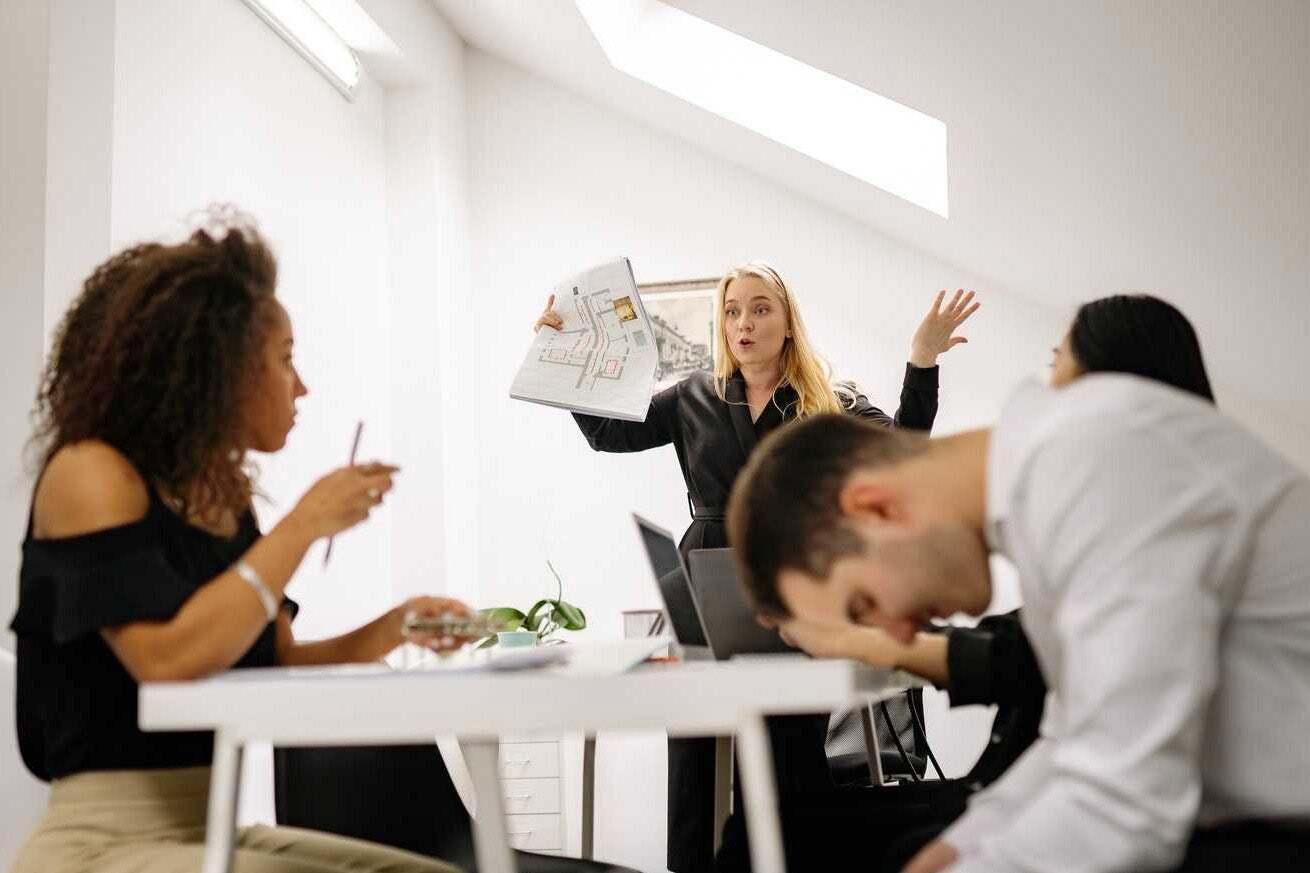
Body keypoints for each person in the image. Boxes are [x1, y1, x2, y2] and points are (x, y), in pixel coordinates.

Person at [9, 212, 477, 873]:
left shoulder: (223, 496)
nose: (302, 385)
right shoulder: (88, 474)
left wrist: (393, 627)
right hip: (100, 843)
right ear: (216, 370)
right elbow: (167, 659)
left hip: (205, 829)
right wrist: (302, 526)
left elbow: (273, 658)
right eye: (285, 360)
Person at [727, 374, 1310, 871]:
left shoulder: (1092, 464)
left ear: (876, 507)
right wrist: (957, 848)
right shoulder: (1047, 490)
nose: (896, 635)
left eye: (862, 605)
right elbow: (1071, 740)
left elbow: (1125, 807)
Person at [535, 263, 978, 870]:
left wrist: (921, 361)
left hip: (792, 585)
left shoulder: (829, 400)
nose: (745, 322)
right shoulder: (693, 395)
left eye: (761, 308)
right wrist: (564, 356)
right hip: (704, 579)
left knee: (787, 744)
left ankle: (788, 857)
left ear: (787, 321)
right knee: (693, 741)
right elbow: (608, 434)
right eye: (733, 310)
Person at [777, 294, 1218, 793]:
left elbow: (1028, 659)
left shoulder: (1163, 515)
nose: (1045, 392)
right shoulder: (1141, 494)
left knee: (782, 824)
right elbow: (1032, 645)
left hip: (1053, 803)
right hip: (1029, 789)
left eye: (1058, 366)